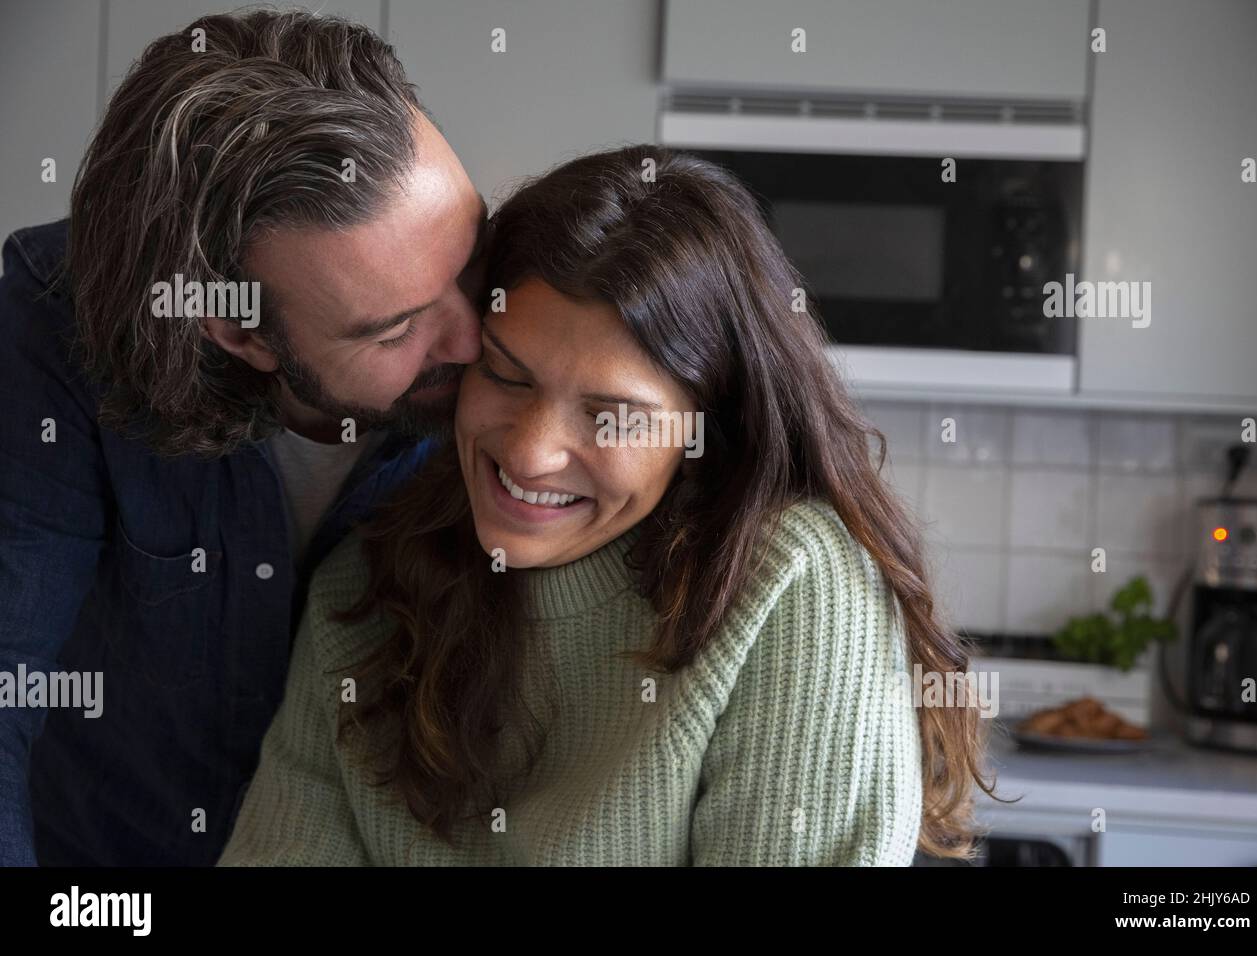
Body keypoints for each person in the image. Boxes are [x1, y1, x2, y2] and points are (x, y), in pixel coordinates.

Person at [219, 145, 993, 866]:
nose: (528, 452)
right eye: (507, 375)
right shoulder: (363, 587)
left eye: (611, 414)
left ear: (706, 429)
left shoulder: (791, 583)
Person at [0, 10, 486, 865]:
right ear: (239, 331)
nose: (476, 342)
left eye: (469, 265)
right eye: (396, 327)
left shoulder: (521, 333)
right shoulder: (54, 329)